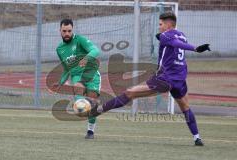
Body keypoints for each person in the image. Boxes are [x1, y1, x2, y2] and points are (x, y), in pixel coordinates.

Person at [88, 12, 211, 146]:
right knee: (185, 107)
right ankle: (197, 138)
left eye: (160, 24)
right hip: (180, 79)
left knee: (130, 93)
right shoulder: (182, 35)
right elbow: (174, 44)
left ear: (169, 24)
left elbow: (174, 43)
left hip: (165, 79)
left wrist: (196, 48)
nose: (159, 27)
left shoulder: (166, 35)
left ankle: (97, 110)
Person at [54, 18, 101, 139]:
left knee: (92, 104)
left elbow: (95, 50)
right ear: (60, 30)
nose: (67, 34)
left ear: (72, 29)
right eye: (64, 31)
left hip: (91, 75)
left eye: (69, 31)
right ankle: (84, 104)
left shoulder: (80, 40)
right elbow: (66, 68)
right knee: (81, 105)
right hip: (76, 78)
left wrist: (86, 58)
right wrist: (60, 83)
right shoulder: (60, 49)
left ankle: (90, 131)